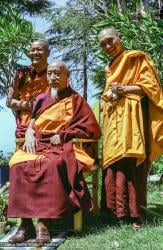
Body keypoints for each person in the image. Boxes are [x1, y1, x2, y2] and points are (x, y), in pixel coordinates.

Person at [7, 60, 101, 245]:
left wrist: (65, 134)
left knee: (51, 165)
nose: (52, 77)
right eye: (50, 73)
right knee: (18, 164)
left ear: (67, 76)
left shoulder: (76, 100)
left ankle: (43, 223)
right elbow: (32, 123)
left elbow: (92, 128)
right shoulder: (42, 98)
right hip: (38, 143)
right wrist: (29, 133)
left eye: (58, 73)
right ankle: (26, 225)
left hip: (62, 146)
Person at [98, 27, 163, 229]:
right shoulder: (109, 66)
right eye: (103, 44)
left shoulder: (136, 58)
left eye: (110, 41)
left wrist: (124, 89)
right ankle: (116, 213)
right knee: (113, 165)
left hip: (133, 118)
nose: (108, 46)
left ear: (120, 38)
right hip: (113, 120)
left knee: (131, 162)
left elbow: (150, 87)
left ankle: (135, 214)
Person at [6, 39, 50, 144]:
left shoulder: (55, 73)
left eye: (39, 50)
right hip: (24, 127)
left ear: (48, 52)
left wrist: (40, 106)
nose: (35, 53)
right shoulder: (22, 75)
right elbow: (9, 102)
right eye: (32, 50)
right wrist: (27, 105)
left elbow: (63, 101)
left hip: (48, 124)